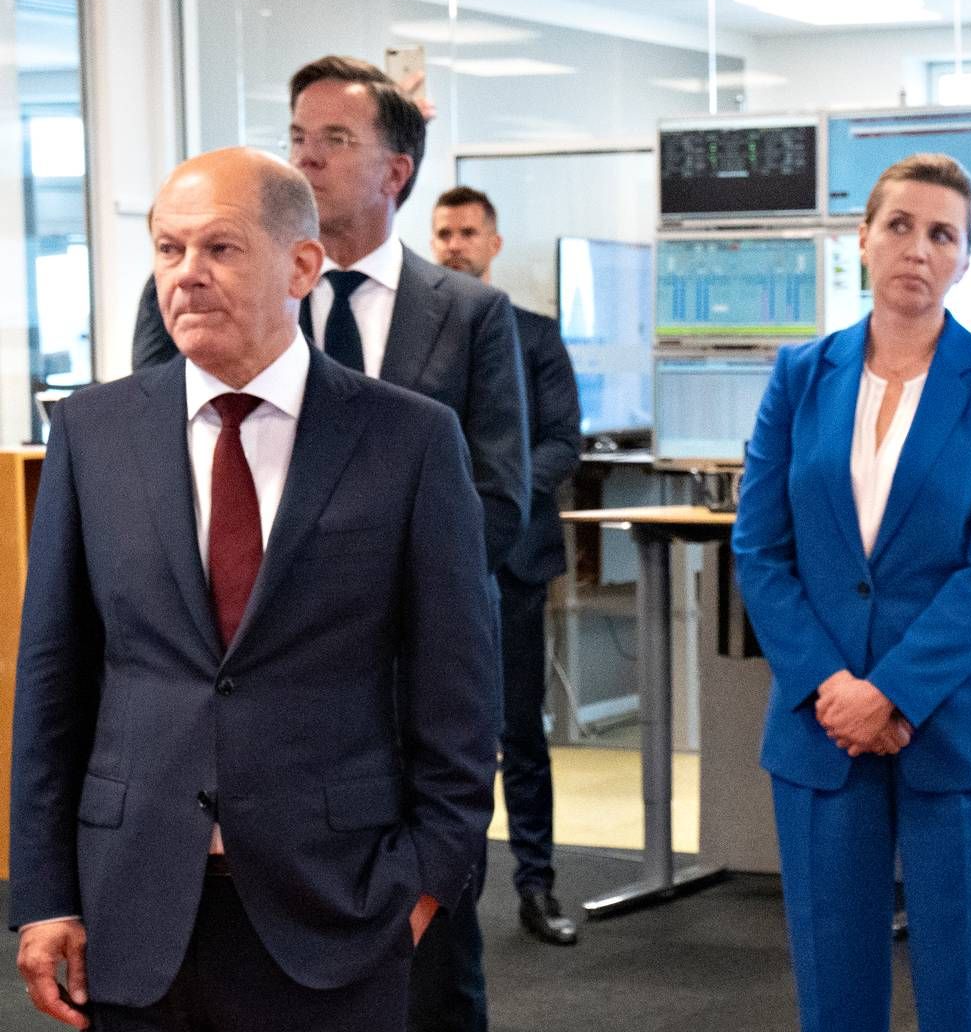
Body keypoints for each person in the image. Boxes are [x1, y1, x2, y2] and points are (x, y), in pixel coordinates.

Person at [9, 147, 498, 1031]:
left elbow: (457, 688)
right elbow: (53, 679)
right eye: (168, 250)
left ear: (302, 266)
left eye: (220, 249)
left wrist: (425, 882)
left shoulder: (409, 441)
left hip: (340, 909)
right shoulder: (93, 432)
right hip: (133, 909)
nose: (186, 276)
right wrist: (43, 894)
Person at [133, 57, 527, 1032]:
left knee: (426, 988)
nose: (305, 155)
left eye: (334, 140)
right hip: (234, 750)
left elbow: (497, 499)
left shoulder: (468, 314)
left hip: (400, 718)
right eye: (297, 136)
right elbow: (163, 475)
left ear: (397, 168)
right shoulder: (206, 296)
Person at [732, 153, 971, 1032]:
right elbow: (759, 548)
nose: (917, 248)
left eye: (942, 233)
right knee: (835, 995)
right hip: (821, 722)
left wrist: (893, 693)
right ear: (862, 239)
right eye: (899, 226)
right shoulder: (802, 377)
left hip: (960, 724)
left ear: (965, 259)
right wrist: (835, 688)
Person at [431, 185, 584, 947]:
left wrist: (488, 497)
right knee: (430, 734)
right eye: (443, 233)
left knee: (520, 730)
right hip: (422, 563)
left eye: (467, 232)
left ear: (494, 243)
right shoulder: (416, 335)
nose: (454, 244)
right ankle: (439, 888)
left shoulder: (533, 336)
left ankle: (538, 883)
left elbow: (562, 442)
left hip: (510, 559)